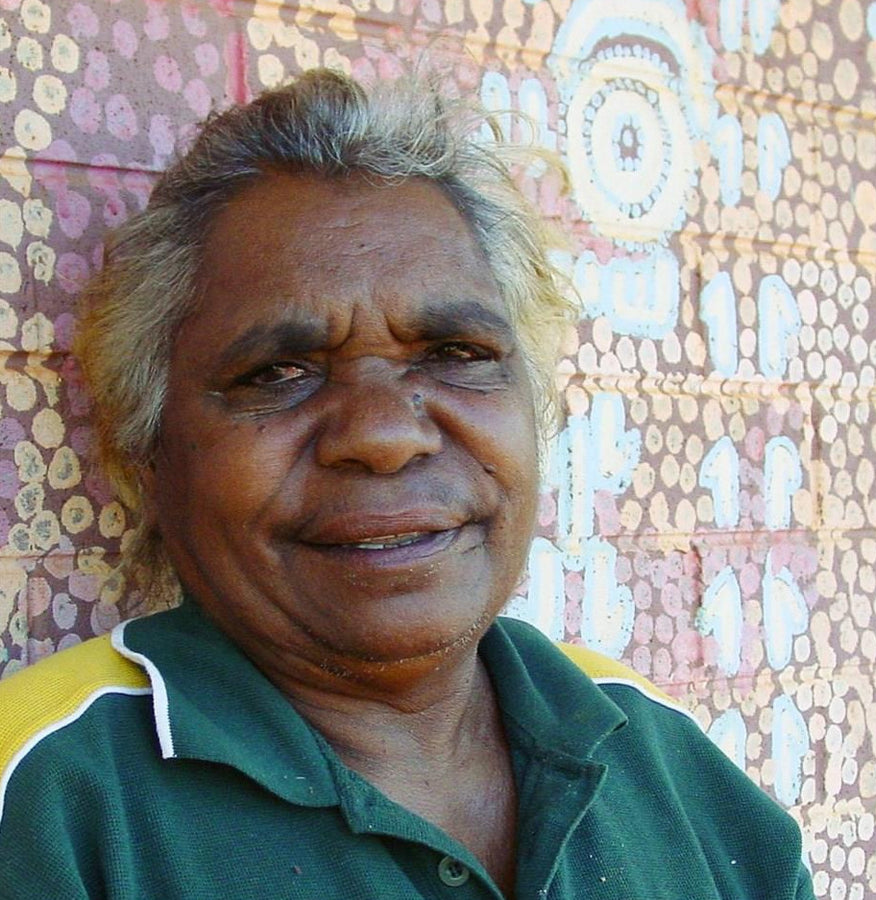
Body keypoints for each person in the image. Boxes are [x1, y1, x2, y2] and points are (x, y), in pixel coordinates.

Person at [0, 69, 813, 900]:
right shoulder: (47, 804)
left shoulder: (658, 756)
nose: (385, 435)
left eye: (457, 355)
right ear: (149, 451)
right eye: (279, 371)